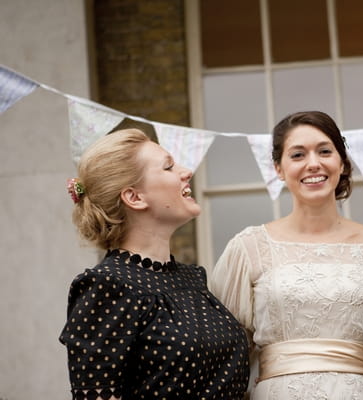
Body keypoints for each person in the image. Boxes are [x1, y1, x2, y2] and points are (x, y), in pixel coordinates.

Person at [207, 111, 363, 399]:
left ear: (342, 163)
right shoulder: (247, 248)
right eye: (298, 155)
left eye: (324, 151)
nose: (313, 164)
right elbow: (226, 357)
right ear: (278, 168)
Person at [59, 128, 250, 399]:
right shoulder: (105, 286)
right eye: (169, 167)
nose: (186, 172)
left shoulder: (193, 279)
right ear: (134, 197)